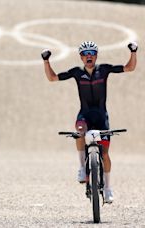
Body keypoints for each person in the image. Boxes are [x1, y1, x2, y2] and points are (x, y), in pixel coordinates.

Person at [41, 41, 138, 203]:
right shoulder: (77, 73)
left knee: (105, 154)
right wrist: (46, 61)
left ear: (96, 55)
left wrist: (133, 52)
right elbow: (52, 78)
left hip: (101, 116)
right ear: (81, 57)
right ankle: (81, 168)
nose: (89, 56)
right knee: (79, 129)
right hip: (85, 115)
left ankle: (107, 188)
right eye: (85, 54)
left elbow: (130, 68)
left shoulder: (104, 69)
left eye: (92, 53)